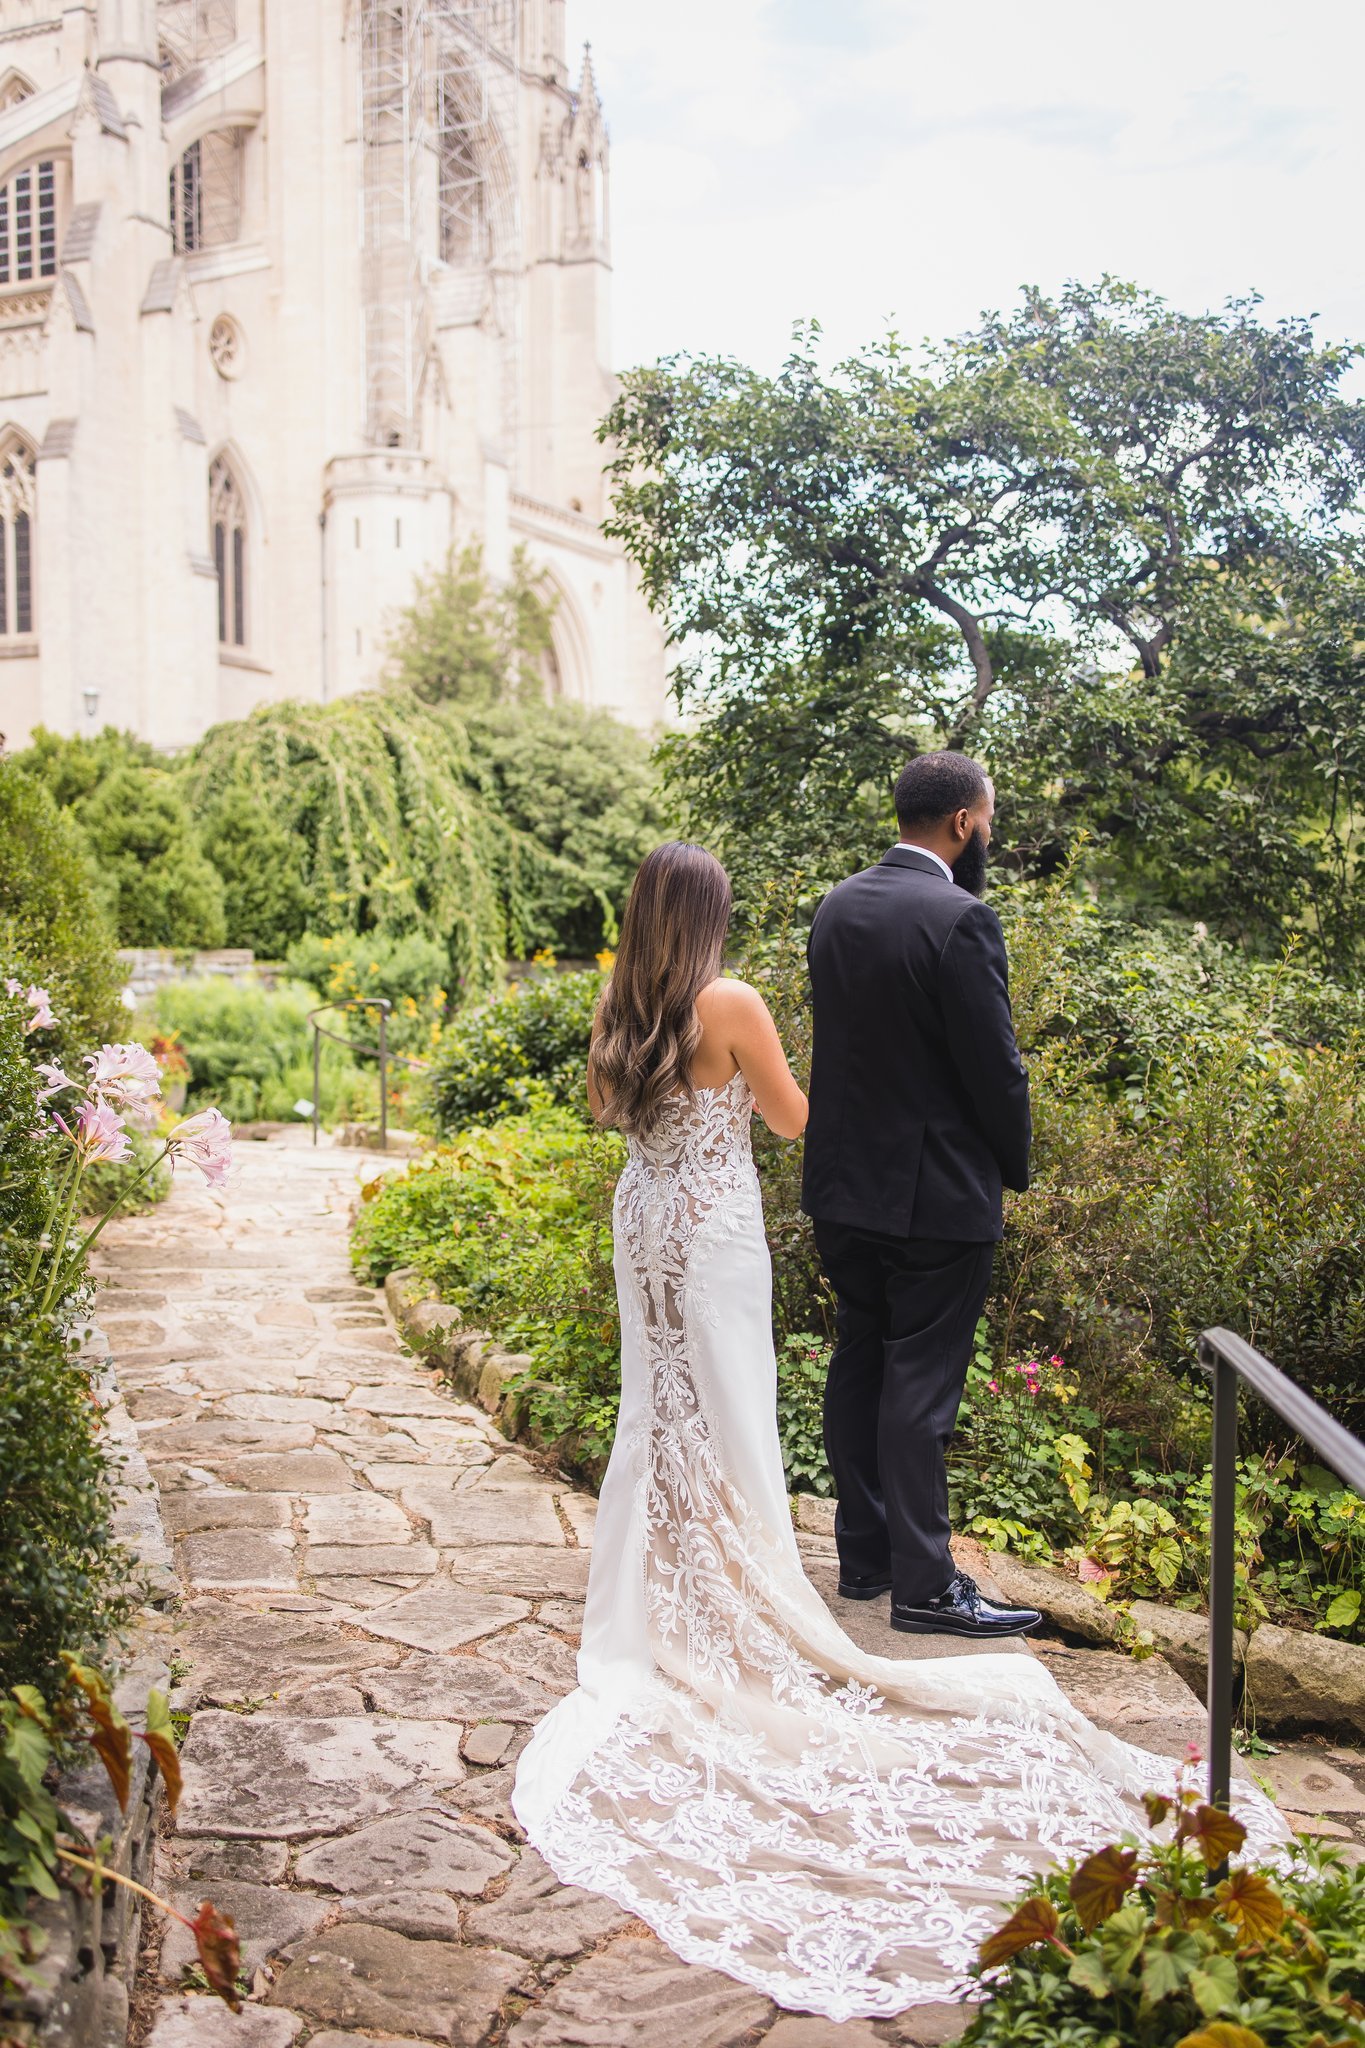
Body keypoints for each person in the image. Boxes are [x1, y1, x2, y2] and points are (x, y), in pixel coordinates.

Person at [512, 839, 1283, 2023]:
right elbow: (790, 1118)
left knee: (655, 1413)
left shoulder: (623, 1001)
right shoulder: (730, 1000)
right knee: (730, 1419)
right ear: (708, 914)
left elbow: (613, 1109)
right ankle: (740, 1589)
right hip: (712, 1233)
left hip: (640, 1221)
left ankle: (651, 1601)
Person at [803, 750, 1041, 1637]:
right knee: (918, 1387)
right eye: (989, 818)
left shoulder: (835, 906)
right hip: (934, 1197)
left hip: (841, 1189)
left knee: (860, 1359)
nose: (989, 832)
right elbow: (996, 1071)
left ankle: (864, 1560)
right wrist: (1010, 1167)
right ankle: (928, 1588)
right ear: (961, 823)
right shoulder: (960, 918)